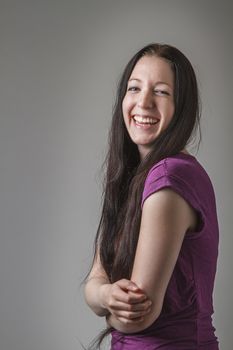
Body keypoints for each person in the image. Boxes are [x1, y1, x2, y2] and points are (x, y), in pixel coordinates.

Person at [83, 43, 219, 349]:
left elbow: (137, 317)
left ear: (182, 106)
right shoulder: (133, 179)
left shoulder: (170, 178)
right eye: (134, 88)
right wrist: (106, 296)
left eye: (161, 92)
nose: (143, 102)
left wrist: (105, 306)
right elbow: (93, 285)